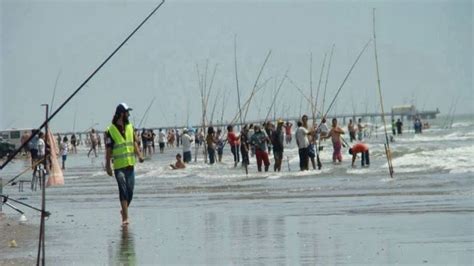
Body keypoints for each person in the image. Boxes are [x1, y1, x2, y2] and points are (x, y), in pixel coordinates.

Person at [105, 103, 144, 226]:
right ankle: (125, 218)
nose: (129, 114)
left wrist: (140, 155)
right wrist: (107, 165)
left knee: (130, 191)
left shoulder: (130, 127)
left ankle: (124, 211)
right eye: (127, 112)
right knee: (122, 190)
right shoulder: (109, 130)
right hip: (119, 166)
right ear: (122, 113)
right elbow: (108, 150)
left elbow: (134, 144)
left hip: (130, 165)